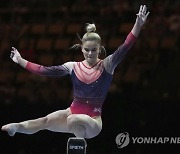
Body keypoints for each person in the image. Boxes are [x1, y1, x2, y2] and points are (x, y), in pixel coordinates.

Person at [1, 5, 150, 139]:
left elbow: (125, 47)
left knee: (73, 119)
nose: (90, 53)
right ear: (81, 49)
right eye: (87, 49)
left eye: (94, 50)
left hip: (93, 122)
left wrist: (137, 25)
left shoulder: (107, 65)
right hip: (71, 113)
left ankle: (78, 145)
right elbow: (45, 70)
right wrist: (20, 60)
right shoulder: (73, 66)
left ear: (100, 49)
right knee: (45, 121)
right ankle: (16, 127)